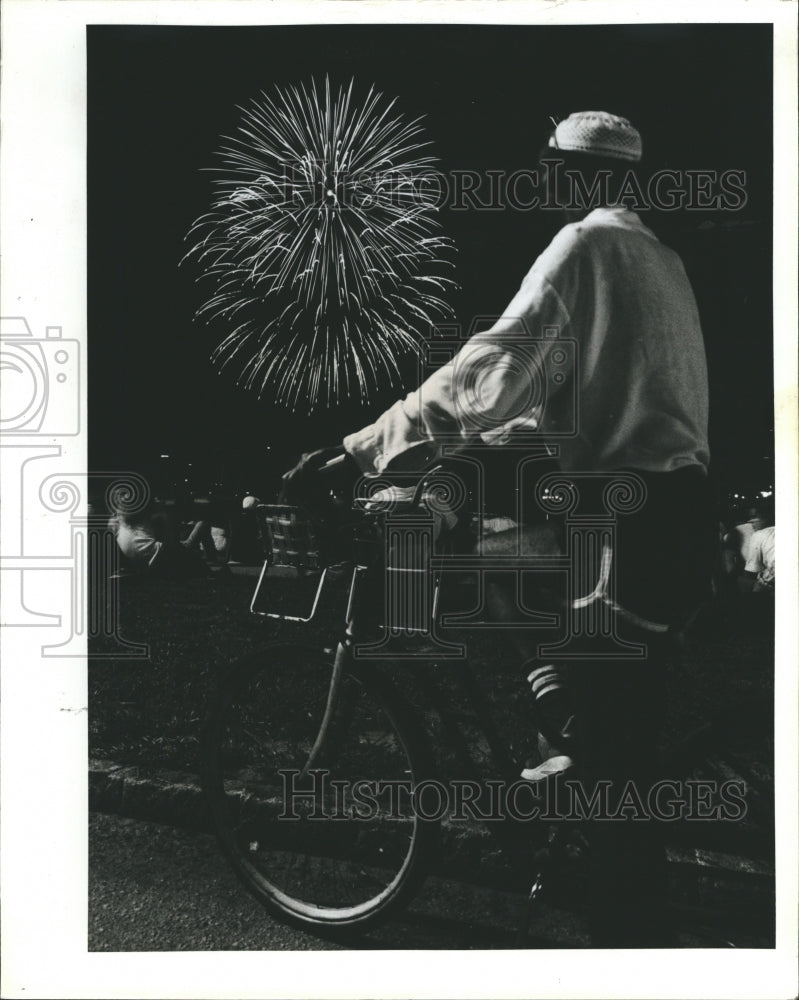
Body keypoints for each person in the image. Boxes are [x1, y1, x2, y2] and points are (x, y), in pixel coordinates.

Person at [282, 111, 715, 945]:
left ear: (571, 173)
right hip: (673, 511)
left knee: (616, 788)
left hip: (627, 522)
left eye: (551, 166)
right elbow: (553, 404)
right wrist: (460, 460)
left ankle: (632, 946)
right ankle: (566, 763)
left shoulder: (581, 249)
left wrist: (363, 448)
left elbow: (490, 368)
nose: (544, 180)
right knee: (569, 664)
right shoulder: (659, 258)